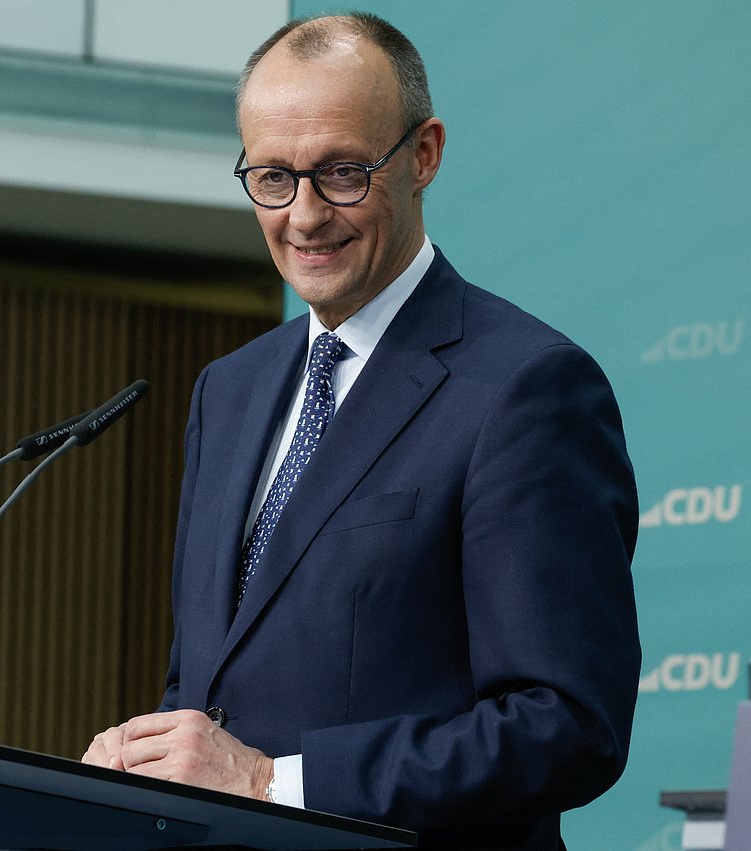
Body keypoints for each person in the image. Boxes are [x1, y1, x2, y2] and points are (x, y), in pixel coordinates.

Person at [83, 12, 640, 849]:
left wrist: (276, 782)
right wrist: (143, 757)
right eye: (271, 176)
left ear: (423, 156)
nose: (304, 215)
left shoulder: (526, 387)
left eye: (342, 172)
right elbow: (210, 688)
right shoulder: (227, 391)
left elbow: (564, 723)